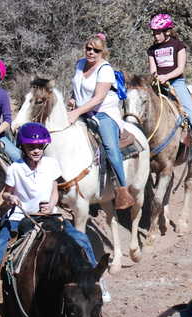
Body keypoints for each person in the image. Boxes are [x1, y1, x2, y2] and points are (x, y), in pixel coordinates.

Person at [0, 122, 110, 317]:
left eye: (40, 146)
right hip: (21, 217)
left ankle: (96, 279)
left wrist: (51, 205)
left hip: (49, 215)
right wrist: (12, 198)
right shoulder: (15, 169)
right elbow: (6, 194)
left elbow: (54, 193)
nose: (36, 150)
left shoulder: (51, 164)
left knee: (82, 239)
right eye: (31, 146)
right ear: (22, 147)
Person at [66, 34, 133, 210]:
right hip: (81, 111)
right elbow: (78, 87)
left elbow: (98, 98)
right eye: (89, 48)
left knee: (111, 147)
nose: (91, 52)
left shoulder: (105, 69)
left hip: (102, 113)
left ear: (103, 52)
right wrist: (73, 100)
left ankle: (122, 190)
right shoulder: (80, 64)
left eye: (96, 50)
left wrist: (77, 112)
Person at [147, 14, 192, 163]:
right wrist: (155, 77)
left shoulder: (178, 46)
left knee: (191, 112)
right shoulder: (152, 50)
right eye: (154, 32)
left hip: (176, 83)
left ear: (167, 31)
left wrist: (166, 77)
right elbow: (152, 70)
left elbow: (180, 68)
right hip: (158, 83)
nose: (156, 36)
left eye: (158, 32)